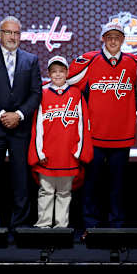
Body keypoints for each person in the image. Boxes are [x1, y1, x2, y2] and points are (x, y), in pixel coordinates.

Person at [68, 22, 137, 230]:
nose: (113, 41)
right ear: (102, 38)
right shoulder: (89, 61)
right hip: (95, 136)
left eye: (117, 37)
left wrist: (135, 111)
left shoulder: (135, 64)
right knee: (92, 184)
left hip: (122, 136)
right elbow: (68, 88)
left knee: (117, 186)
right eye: (109, 37)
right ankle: (90, 225)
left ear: (123, 40)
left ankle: (116, 226)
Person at [0, 16, 42, 229]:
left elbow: (36, 93)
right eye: (8, 32)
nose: (13, 37)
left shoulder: (30, 60)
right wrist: (2, 114)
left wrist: (19, 115)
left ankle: (20, 226)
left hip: (20, 128)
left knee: (21, 180)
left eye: (16, 33)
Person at [28, 56, 94, 228]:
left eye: (61, 71)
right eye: (54, 71)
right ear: (49, 73)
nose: (57, 74)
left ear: (67, 73)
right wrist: (39, 152)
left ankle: (61, 226)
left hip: (68, 155)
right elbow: (37, 126)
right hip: (47, 155)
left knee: (65, 193)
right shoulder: (42, 93)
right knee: (46, 191)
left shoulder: (76, 94)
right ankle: (43, 224)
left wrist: (78, 151)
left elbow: (82, 124)